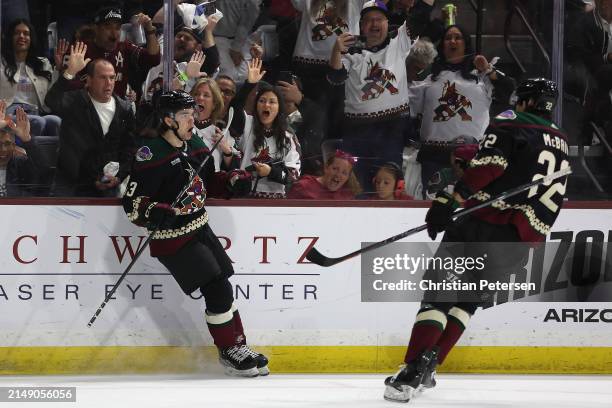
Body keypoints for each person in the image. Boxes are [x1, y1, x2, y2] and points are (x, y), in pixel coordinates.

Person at [383, 78, 570, 402]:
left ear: (525, 101)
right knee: (466, 301)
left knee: (439, 296)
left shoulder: (513, 124)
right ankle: (431, 366)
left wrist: (450, 200)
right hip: (520, 242)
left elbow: (489, 166)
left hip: (482, 224)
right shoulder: (561, 141)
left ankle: (412, 369)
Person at [122, 90, 268, 377]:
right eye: (186, 116)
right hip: (172, 238)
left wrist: (233, 182)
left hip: (200, 226)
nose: (193, 120)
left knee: (223, 281)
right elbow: (132, 203)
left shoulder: (195, 143)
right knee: (216, 287)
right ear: (168, 120)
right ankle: (229, 352)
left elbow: (210, 182)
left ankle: (238, 345)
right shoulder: (150, 153)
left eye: (193, 114)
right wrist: (155, 210)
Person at [408, 24, 514, 196]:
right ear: (442, 46)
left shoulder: (481, 78)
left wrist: (488, 70)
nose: (452, 41)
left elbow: (510, 89)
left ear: (466, 44)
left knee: (472, 208)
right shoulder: (429, 80)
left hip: (472, 159)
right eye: (448, 38)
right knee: (431, 209)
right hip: (434, 158)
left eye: (457, 37)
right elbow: (408, 110)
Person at [328, 0, 416, 190]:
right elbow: (336, 78)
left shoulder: (398, 42)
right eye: (368, 20)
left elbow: (421, 16)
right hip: (356, 131)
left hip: (392, 129)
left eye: (379, 19)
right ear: (361, 26)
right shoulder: (351, 48)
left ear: (387, 23)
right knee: (356, 187)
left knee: (386, 185)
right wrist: (336, 50)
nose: (374, 24)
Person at [45, 42, 135, 197]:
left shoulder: (125, 109)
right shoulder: (75, 101)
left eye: (112, 78)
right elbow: (51, 101)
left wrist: (119, 177)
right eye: (102, 78)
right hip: (72, 185)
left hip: (108, 185)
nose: (109, 83)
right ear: (89, 80)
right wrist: (70, 72)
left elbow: (129, 148)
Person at [62, 4, 161, 99]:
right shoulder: (79, 49)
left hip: (118, 112)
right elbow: (65, 87)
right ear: (96, 28)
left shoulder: (124, 47)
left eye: (117, 28)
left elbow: (153, 59)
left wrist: (150, 30)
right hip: (86, 110)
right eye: (108, 27)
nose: (114, 34)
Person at [238, 59, 301, 198]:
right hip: (244, 199)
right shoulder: (248, 124)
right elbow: (234, 109)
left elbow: (294, 175)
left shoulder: (288, 136)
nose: (266, 106)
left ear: (279, 108)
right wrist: (249, 85)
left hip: (275, 203)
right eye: (262, 101)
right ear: (256, 105)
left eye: (272, 102)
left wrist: (271, 172)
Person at [0, 19, 62, 139]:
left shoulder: (42, 63)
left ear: (31, 38)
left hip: (36, 111)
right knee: (37, 122)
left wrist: (58, 70)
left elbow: (52, 95)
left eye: (26, 33)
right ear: (10, 37)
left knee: (56, 121)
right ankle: (28, 155)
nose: (21, 36)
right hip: (10, 112)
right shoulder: (1, 62)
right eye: (17, 33)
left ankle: (52, 157)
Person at [191, 77, 240, 171]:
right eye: (196, 94)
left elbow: (235, 171)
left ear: (214, 104)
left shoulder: (223, 132)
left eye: (206, 95)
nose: (200, 98)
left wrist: (227, 151)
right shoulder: (179, 126)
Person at [0, 104, 48, 197]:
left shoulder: (19, 163)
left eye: (7, 144)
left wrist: (27, 139)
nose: (3, 150)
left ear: (14, 146)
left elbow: (43, 175)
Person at [288, 149, 361, 199]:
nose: (338, 175)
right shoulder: (303, 187)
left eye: (344, 173)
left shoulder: (347, 195)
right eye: (335, 169)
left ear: (348, 177)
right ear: (326, 168)